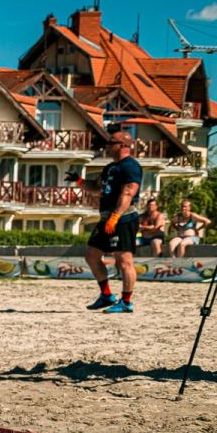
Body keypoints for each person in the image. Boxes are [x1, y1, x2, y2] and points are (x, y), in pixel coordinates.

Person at [85, 131, 142, 314]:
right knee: (92, 255)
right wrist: (78, 180)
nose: (107, 146)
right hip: (106, 217)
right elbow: (96, 187)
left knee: (124, 260)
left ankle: (126, 302)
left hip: (123, 218)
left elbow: (128, 193)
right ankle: (106, 295)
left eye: (111, 143)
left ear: (123, 146)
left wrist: (116, 216)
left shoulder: (130, 166)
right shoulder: (110, 167)